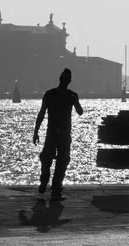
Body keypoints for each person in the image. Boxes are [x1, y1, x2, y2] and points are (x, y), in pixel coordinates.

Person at [33, 68, 83, 199]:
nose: (64, 81)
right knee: (47, 160)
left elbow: (80, 111)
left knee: (61, 162)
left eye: (65, 79)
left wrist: (75, 101)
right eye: (63, 79)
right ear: (61, 79)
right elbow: (42, 113)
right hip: (53, 134)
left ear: (68, 81)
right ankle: (45, 182)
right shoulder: (50, 94)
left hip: (63, 135)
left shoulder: (72, 96)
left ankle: (55, 188)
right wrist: (36, 131)